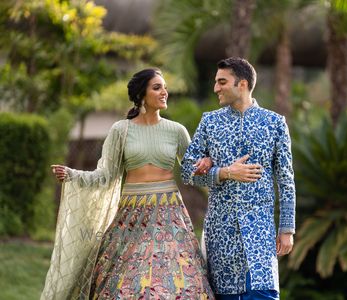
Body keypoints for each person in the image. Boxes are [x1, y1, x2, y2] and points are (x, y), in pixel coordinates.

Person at [42, 68, 215, 299]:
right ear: (141, 94)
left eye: (165, 87)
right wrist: (74, 175)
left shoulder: (176, 131)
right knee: (126, 285)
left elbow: (191, 173)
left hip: (169, 215)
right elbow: (106, 174)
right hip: (132, 217)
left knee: (180, 283)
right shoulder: (120, 131)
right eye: (157, 87)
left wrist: (207, 165)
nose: (165, 92)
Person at [181, 57, 296, 299]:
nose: (216, 88)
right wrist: (223, 172)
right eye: (215, 82)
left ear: (242, 84)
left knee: (263, 293)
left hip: (260, 231)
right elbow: (187, 171)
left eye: (222, 82)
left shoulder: (274, 123)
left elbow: (285, 180)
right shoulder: (210, 122)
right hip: (221, 233)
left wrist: (287, 228)